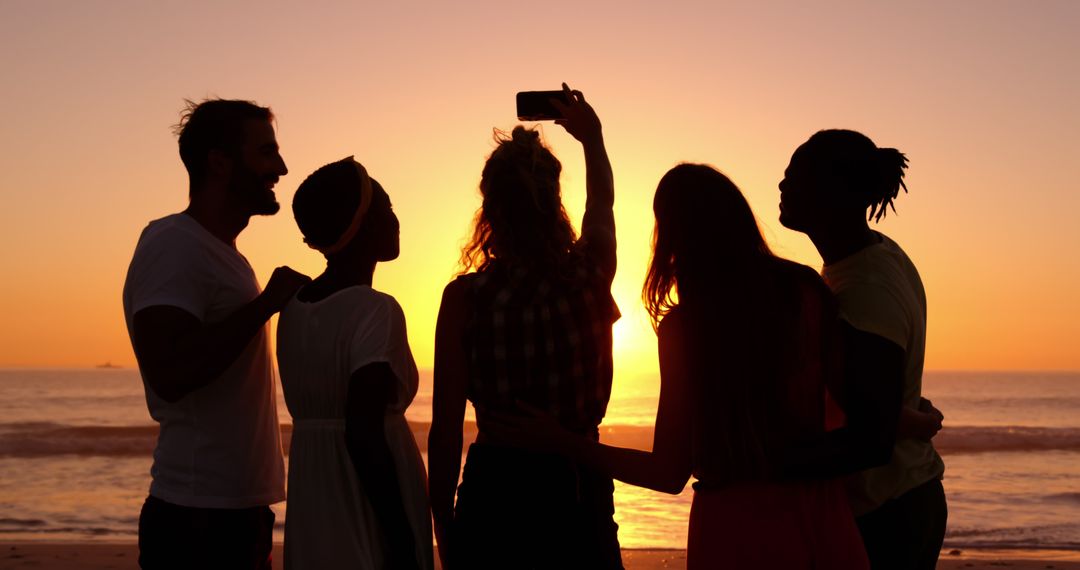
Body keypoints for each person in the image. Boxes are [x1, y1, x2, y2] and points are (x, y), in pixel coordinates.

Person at [491, 163, 905, 569]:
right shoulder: (806, 290)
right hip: (821, 515)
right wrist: (905, 417)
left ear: (672, 237)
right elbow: (850, 400)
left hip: (736, 525)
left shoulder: (686, 327)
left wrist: (564, 442)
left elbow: (668, 472)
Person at [428, 84, 623, 569]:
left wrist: (444, 526)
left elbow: (446, 430)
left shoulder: (465, 299)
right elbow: (602, 205)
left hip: (496, 487)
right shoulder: (588, 274)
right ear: (554, 201)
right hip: (577, 479)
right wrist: (592, 139)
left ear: (490, 210)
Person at [122, 98, 310, 569]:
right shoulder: (173, 243)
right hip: (196, 519)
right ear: (220, 162)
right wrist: (266, 305)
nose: (281, 167)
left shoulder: (226, 256)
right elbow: (170, 370)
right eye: (267, 153)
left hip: (236, 512)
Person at [779, 129, 947, 569]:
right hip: (904, 496)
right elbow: (879, 403)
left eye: (796, 177)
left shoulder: (866, 290)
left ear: (836, 192)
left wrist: (763, 468)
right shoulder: (873, 256)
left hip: (887, 512)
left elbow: (869, 441)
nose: (782, 185)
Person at [276, 157, 432, 570]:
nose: (396, 220)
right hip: (364, 501)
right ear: (360, 224)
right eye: (386, 208)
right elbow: (363, 431)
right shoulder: (374, 310)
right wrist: (399, 535)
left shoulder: (293, 309)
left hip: (314, 496)